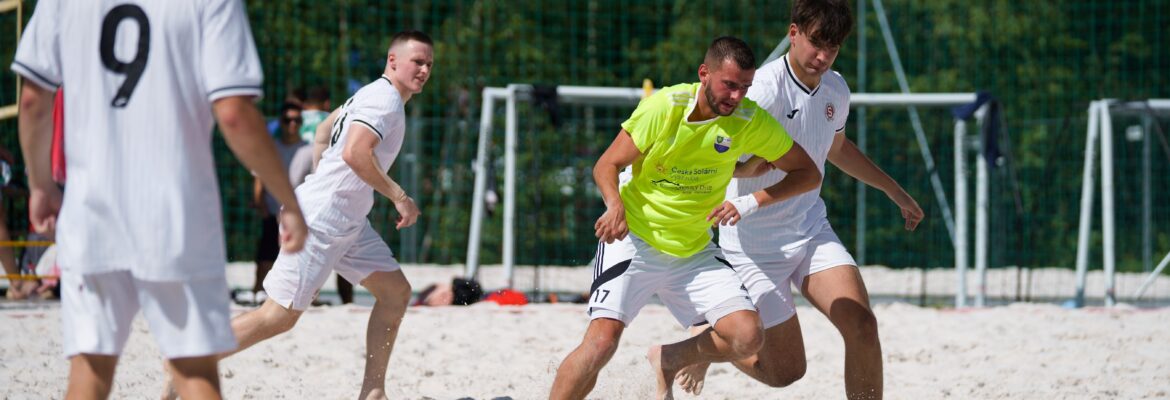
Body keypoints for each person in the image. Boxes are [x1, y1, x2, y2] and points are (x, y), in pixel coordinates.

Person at [12, 1, 308, 399]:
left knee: (90, 369)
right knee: (193, 369)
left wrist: (41, 185)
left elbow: (33, 100)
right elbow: (234, 112)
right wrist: (286, 197)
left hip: (91, 210)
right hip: (176, 213)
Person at [670, 1, 924, 398]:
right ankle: (704, 341)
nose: (823, 56)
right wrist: (743, 170)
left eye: (834, 47)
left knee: (862, 326)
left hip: (809, 229)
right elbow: (712, 154)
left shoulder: (836, 88)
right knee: (785, 371)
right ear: (793, 33)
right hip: (752, 246)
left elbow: (836, 149)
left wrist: (894, 190)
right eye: (816, 42)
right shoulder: (761, 90)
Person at [549, 36, 822, 400]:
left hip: (693, 249)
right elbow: (607, 164)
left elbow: (808, 173)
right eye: (729, 85)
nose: (737, 96)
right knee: (602, 344)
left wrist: (751, 200)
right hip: (636, 238)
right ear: (704, 74)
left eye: (745, 87)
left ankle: (668, 358)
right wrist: (614, 205)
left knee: (747, 336)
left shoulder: (748, 119)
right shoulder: (665, 105)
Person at [186, 30, 433, 400]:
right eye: (418, 61)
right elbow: (354, 153)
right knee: (278, 317)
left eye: (430, 63)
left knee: (396, 293)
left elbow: (321, 131)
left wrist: (323, 181)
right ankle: (190, 365)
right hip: (322, 219)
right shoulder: (384, 100)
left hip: (345, 219)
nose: (425, 69)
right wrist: (400, 197)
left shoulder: (370, 93)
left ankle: (373, 391)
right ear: (392, 60)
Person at [290, 85, 357, 304]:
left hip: (298, 186)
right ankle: (346, 299)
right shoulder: (334, 120)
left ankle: (305, 298)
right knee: (343, 246)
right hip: (328, 187)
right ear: (327, 103)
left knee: (302, 250)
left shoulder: (292, 121)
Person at [241, 102, 308, 305]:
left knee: (298, 257)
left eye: (297, 120)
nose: (292, 124)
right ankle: (258, 290)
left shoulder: (308, 149)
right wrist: (261, 206)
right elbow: (259, 176)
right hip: (272, 210)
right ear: (281, 121)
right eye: (288, 120)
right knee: (266, 255)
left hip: (298, 213)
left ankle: (299, 296)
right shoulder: (271, 147)